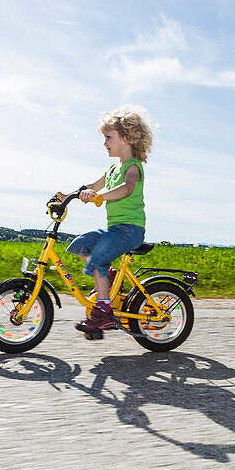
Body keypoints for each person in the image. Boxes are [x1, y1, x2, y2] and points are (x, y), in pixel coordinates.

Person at [67, 107, 152, 331]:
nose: (104, 143)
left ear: (126, 137)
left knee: (98, 258)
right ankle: (109, 277)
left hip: (130, 230)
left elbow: (126, 188)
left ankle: (104, 311)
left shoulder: (132, 167)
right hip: (114, 229)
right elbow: (92, 186)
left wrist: (99, 197)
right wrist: (68, 196)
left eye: (108, 137)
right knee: (80, 245)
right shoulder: (112, 169)